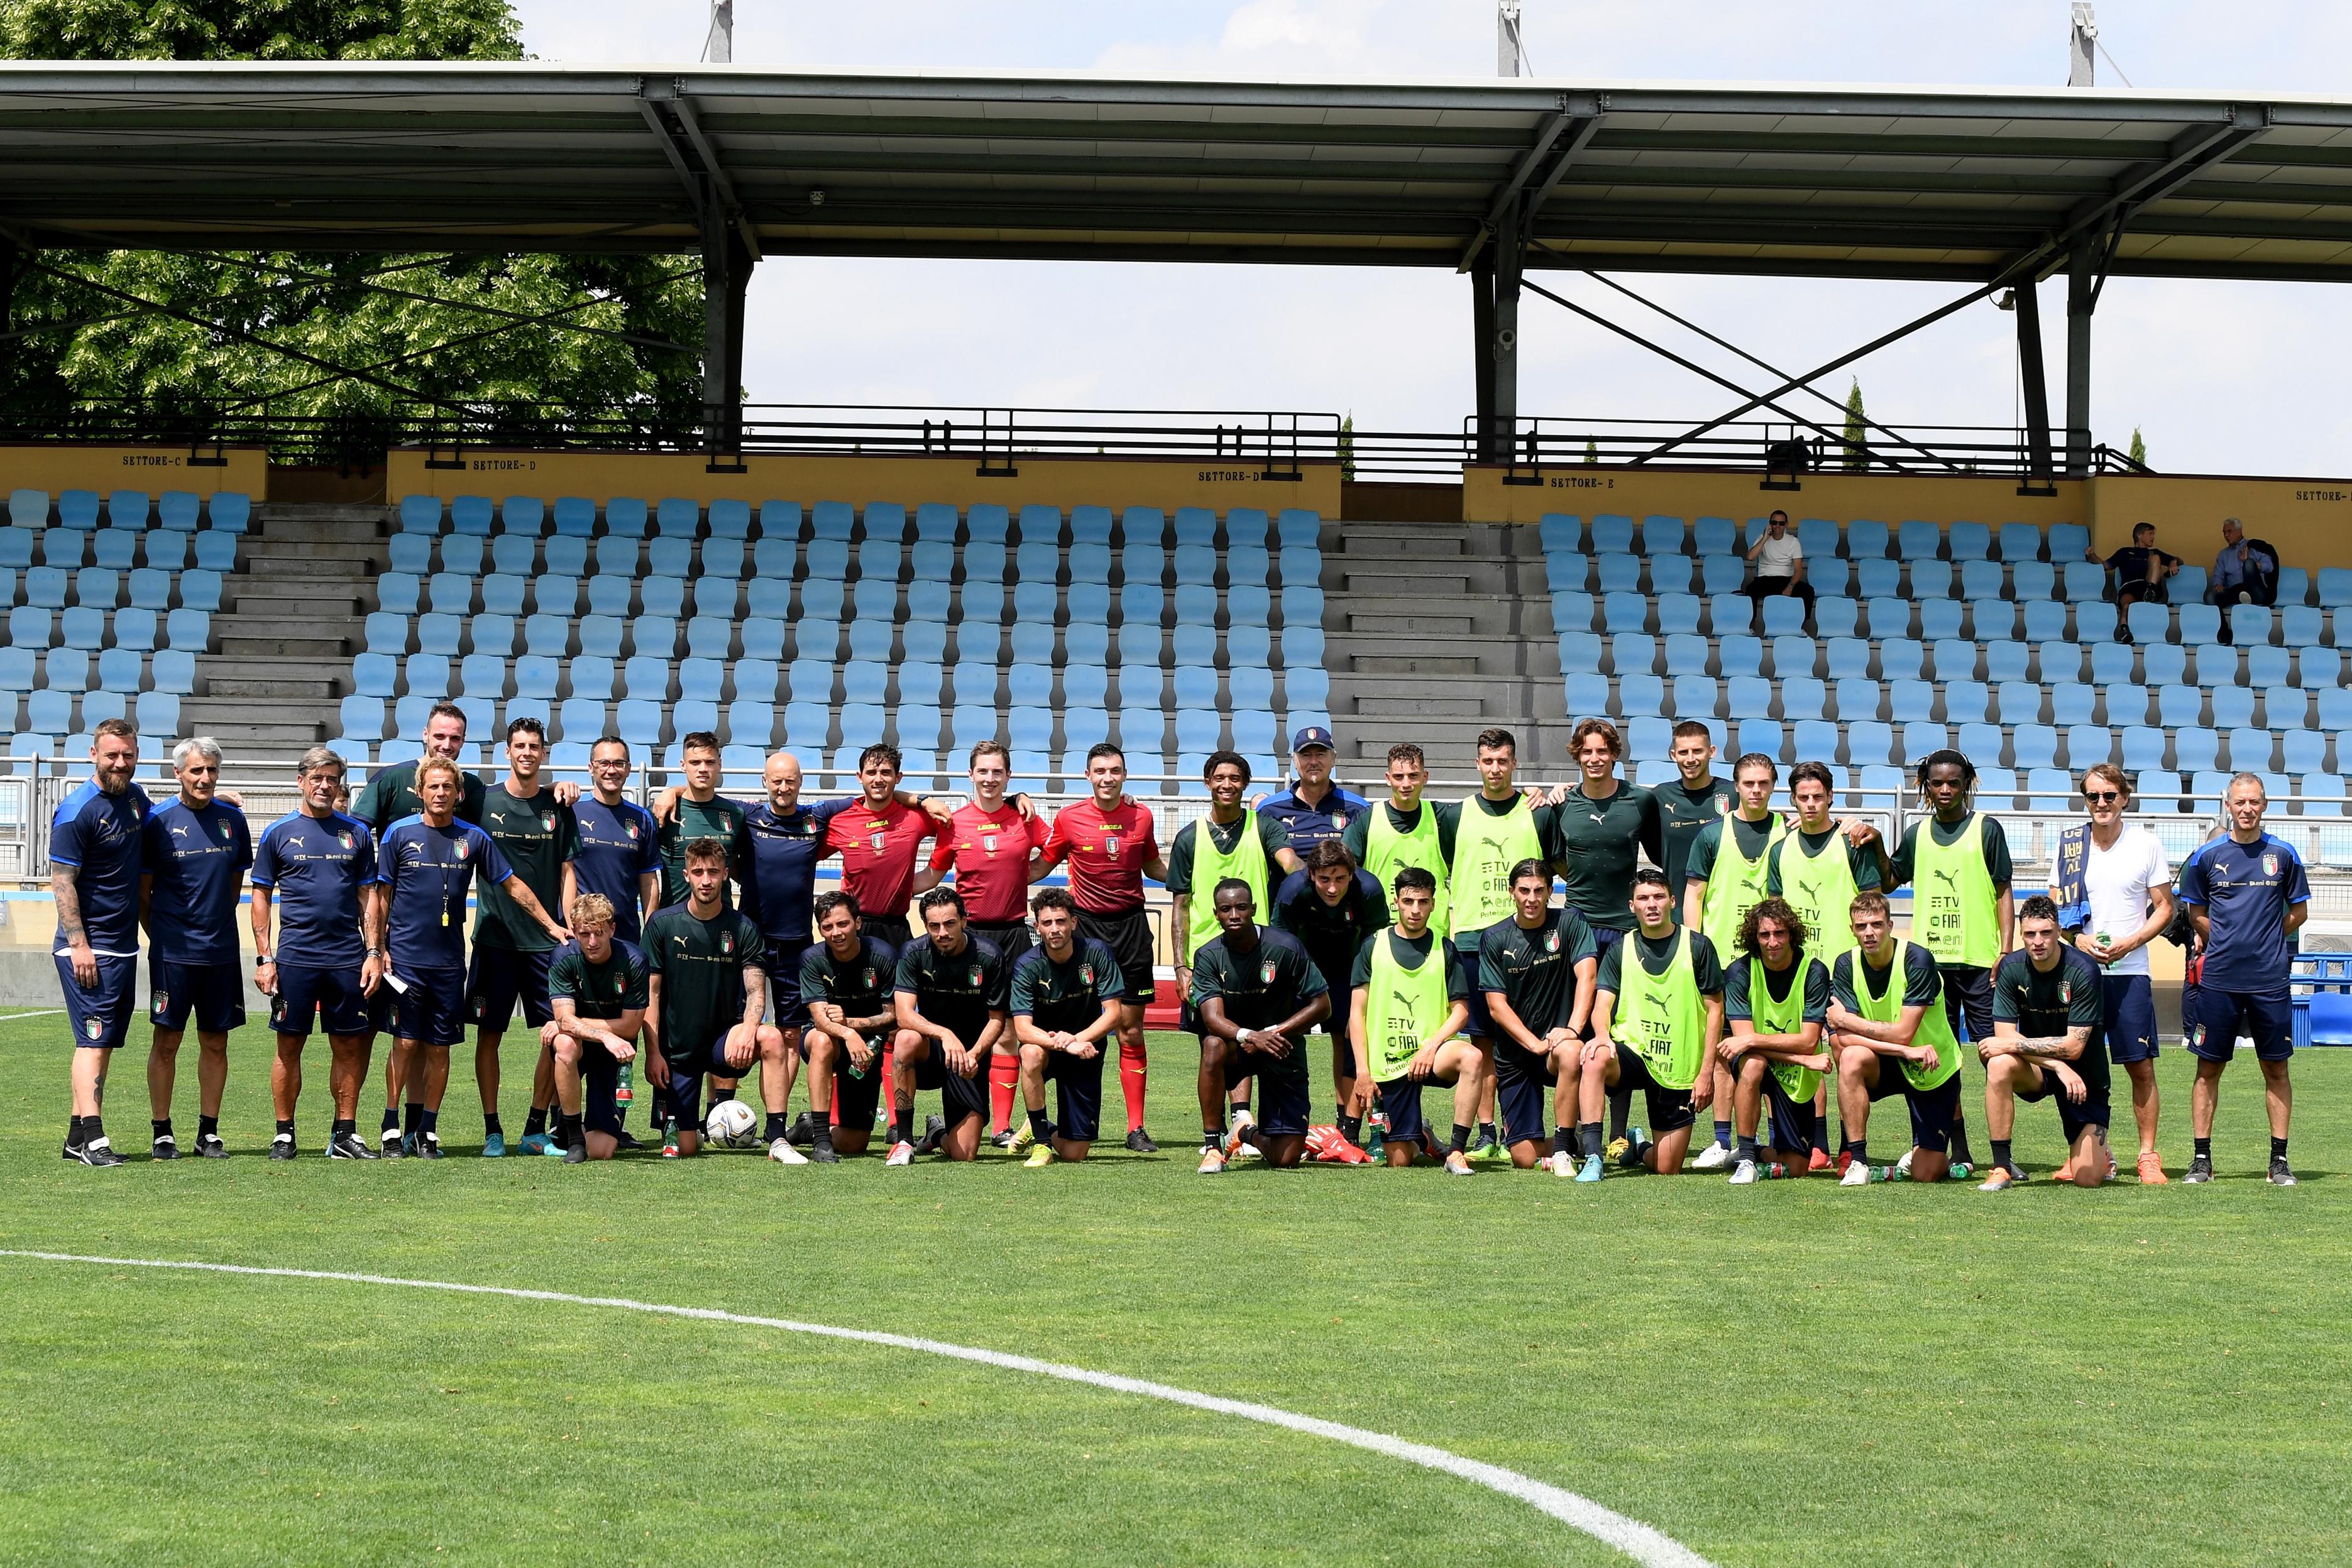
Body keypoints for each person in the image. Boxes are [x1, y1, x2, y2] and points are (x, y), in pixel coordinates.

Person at [369, 755, 566, 1159]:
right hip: (404, 961)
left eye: (447, 787)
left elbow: (513, 886)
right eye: (432, 787)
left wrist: (551, 926)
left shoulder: (474, 838)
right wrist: (378, 949)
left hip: (448, 965)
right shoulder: (397, 834)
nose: (440, 793)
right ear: (420, 791)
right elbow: (381, 899)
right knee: (405, 1044)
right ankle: (391, 1126)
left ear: (459, 794)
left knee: (440, 1049)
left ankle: (427, 1130)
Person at [1869, 748, 2003, 1168]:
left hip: (1981, 961)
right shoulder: (1918, 834)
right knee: (1934, 1055)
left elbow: (2003, 891)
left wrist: (2007, 949)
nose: (1945, 790)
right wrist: (1876, 844)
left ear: (1968, 783)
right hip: (1931, 967)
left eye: (1954, 782)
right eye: (1937, 783)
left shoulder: (1986, 828)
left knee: (1993, 1055)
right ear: (1926, 786)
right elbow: (1890, 881)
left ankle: (2003, 1152)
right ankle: (1949, 1146)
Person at [1167, 750, 1304, 1155]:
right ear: (1207, 783)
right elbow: (1179, 907)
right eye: (1219, 778)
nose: (1227, 785)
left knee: (1255, 1039)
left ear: (1245, 785)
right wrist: (1180, 964)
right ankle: (1220, 1131)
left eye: (1235, 778)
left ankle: (1241, 1121)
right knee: (1216, 1042)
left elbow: (1290, 861)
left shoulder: (1263, 828)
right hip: (1208, 961)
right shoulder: (1189, 837)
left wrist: (1310, 874)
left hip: (1257, 956)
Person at [2175, 772, 2308, 1185]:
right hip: (2218, 980)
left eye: (2254, 801)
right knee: (2208, 1069)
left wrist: (2266, 937)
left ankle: (2279, 1161)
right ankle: (2201, 1159)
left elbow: (2299, 912)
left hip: (2270, 981)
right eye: (2240, 802)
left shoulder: (2284, 855)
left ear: (2264, 805)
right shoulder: (2207, 856)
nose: (2247, 808)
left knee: (2277, 1071)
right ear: (2228, 806)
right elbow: (2195, 913)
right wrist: (2227, 941)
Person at [251, 747, 383, 1161]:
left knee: (348, 1047)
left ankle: (345, 1133)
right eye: (317, 778)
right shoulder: (278, 833)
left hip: (347, 958)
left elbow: (369, 897)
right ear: (301, 781)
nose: (325, 785)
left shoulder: (357, 833)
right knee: (289, 1046)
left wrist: (374, 951)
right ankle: (284, 1134)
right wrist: (265, 957)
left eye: (332, 779)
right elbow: (260, 896)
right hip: (295, 959)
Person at [1036, 743, 1167, 1151]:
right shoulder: (1070, 817)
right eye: (1100, 770)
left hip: (1131, 930)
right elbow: (1043, 864)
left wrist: (1194, 874)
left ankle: (1135, 1128)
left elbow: (1153, 866)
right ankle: (1060, 1122)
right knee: (1074, 1024)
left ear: (1124, 774)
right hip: (1086, 932)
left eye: (1114, 770)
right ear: (1088, 776)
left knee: (1130, 1029)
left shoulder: (1141, 815)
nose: (1107, 777)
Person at [916, 740, 1049, 1143]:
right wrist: (883, 885)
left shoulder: (1023, 817)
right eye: (983, 772)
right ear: (970, 775)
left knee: (1011, 1030)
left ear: (1008, 777)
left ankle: (1004, 1127)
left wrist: (1026, 876)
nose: (990, 779)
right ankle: (958, 1112)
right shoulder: (954, 823)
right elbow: (931, 875)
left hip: (1013, 934)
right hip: (968, 939)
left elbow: (1057, 848)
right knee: (974, 1027)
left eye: (998, 772)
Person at [1547, 719, 1664, 1165]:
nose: (1594, 758)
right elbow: (1554, 858)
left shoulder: (1640, 801)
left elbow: (1659, 852)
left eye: (1603, 751)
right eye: (1586, 751)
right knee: (1576, 1024)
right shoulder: (1563, 805)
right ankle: (1575, 1129)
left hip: (1624, 927)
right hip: (1577, 924)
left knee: (1618, 1028)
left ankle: (1617, 1133)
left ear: (1615, 754)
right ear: (1576, 755)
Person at [2053, 763, 2174, 1183]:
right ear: (2084, 800)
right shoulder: (2071, 845)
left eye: (2109, 795)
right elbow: (2056, 911)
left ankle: (2148, 1155)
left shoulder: (2146, 844)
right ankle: (2084, 1152)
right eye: (2093, 796)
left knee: (2139, 1066)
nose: (2101, 803)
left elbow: (2165, 907)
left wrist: (2131, 942)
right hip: (2080, 973)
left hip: (2131, 971)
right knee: (2079, 1064)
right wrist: (2077, 940)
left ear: (2124, 798)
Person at [1765, 759, 1884, 1169]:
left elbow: (1872, 905)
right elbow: (1775, 913)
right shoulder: (1781, 850)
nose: (1811, 803)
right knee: (1803, 1053)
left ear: (1831, 797)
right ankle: (1816, 1143)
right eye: (1804, 797)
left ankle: (1854, 1144)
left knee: (1846, 1050)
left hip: (1846, 971)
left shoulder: (1852, 843)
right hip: (1798, 971)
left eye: (1819, 796)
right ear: (1793, 800)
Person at [468, 717, 579, 1158]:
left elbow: (569, 871)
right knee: (488, 1035)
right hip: (494, 939)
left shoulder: (558, 805)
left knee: (556, 1034)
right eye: (520, 745)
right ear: (507, 751)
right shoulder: (481, 800)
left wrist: (565, 924)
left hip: (545, 943)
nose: (527, 752)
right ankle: (492, 1128)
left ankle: (535, 1126)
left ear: (544, 753)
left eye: (535, 745)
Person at [138, 737, 253, 1159]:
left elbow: (234, 885)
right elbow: (143, 892)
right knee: (167, 1041)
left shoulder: (233, 821)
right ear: (178, 774)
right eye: (196, 771)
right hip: (172, 954)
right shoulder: (158, 821)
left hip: (221, 951)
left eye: (211, 771)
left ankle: (208, 1131)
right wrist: (165, 935)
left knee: (216, 1042)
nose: (205, 778)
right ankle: (162, 1130)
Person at [1569, 869, 1724, 1180]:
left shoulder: (1698, 947)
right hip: (1633, 1050)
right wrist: (1602, 1036)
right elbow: (1602, 1005)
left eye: (1658, 897)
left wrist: (1706, 1072)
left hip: (1678, 1063)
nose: (1651, 905)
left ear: (1673, 901)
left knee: (1668, 1168)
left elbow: (1715, 1011)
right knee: (1595, 1056)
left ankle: (1638, 1146)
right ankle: (1594, 1157)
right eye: (1643, 898)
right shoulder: (1619, 949)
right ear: (1632, 906)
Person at [738, 750, 854, 1150]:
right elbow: (701, 797)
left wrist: (919, 799)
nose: (783, 788)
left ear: (800, 782)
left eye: (790, 781)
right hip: (748, 941)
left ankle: (779, 1126)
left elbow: (871, 795)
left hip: (796, 946)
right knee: (738, 1027)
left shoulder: (816, 817)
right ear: (765, 782)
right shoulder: (747, 815)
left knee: (789, 1035)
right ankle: (720, 1116)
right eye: (776, 781)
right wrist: (674, 791)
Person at [640, 838, 782, 1158]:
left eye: (714, 872)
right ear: (686, 875)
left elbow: (756, 991)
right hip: (678, 1052)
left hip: (725, 1042)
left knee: (771, 1037)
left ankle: (778, 1138)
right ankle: (701, 1127)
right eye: (699, 872)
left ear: (726, 875)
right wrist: (653, 1053)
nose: (706, 880)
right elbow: (652, 992)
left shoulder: (743, 928)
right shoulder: (663, 924)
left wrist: (748, 1029)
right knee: (684, 1149)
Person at [53, 720, 153, 1166]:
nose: (120, 763)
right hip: (88, 949)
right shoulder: (77, 811)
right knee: (92, 1040)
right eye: (112, 755)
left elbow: (160, 817)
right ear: (93, 754)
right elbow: (62, 882)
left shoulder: (134, 798)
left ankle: (77, 1138)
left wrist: (213, 801)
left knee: (104, 1041)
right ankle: (95, 1140)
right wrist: (79, 944)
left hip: (123, 944)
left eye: (128, 755)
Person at [1679, 752, 1786, 1168]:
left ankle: (1778, 1141)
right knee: (1724, 1052)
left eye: (1763, 783)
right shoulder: (1711, 835)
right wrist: (1696, 947)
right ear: (1736, 787)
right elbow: (1694, 896)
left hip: (1773, 959)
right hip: (1723, 959)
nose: (1756, 790)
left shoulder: (1786, 831)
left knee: (1772, 1052)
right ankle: (1723, 1141)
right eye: (1749, 783)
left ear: (1773, 786)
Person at [1824, 892, 1966, 1186]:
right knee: (1849, 1056)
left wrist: (1848, 1021)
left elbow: (1904, 1033)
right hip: (1892, 1058)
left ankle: (1926, 1154)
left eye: (1876, 925)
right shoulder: (1845, 964)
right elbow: (1846, 1040)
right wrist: (1902, 1052)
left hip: (1932, 1066)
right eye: (1861, 927)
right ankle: (1858, 1161)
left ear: (1890, 925)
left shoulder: (1918, 960)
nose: (1869, 933)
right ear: (1852, 930)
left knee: (1926, 1174)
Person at [1192, 878, 1330, 1173]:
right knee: (1212, 1045)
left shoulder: (1286, 947)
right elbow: (1212, 1019)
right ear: (1215, 913)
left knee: (1286, 1159)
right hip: (1237, 1046)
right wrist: (1251, 1036)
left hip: (1281, 1046)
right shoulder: (1208, 956)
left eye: (1241, 907)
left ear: (1253, 908)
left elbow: (1322, 1005)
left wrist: (1273, 1033)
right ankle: (1214, 1147)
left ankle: (1244, 1131)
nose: (1234, 915)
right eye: (1226, 909)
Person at [1348, 866, 1478, 1174]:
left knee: (1472, 1057)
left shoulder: (1445, 948)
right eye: (1408, 901)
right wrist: (1364, 1073)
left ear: (1434, 904)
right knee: (1400, 1160)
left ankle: (1456, 1151)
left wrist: (1431, 1046)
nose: (1416, 910)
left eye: (1423, 902)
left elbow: (1460, 1010)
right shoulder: (1373, 946)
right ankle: (1422, 1137)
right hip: (1389, 1061)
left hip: (1431, 1054)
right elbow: (1357, 1014)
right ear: (1396, 901)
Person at [1977, 895, 2109, 1192]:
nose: (2038, 941)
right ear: (2021, 934)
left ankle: (2099, 1151)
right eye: (2030, 934)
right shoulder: (2011, 968)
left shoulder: (2084, 971)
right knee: (1999, 1063)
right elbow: (2005, 1036)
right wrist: (2056, 1066)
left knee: (2087, 1178)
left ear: (2059, 931)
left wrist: (2064, 1064)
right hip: (2040, 1070)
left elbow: (2075, 1047)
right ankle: (2001, 1167)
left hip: (2084, 1077)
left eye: (2046, 933)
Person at [1478, 858, 1597, 1174]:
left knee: (1572, 1052)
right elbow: (1496, 1006)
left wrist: (1572, 1029)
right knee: (1524, 1157)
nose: (1532, 898)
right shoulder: (1495, 937)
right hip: (1517, 1053)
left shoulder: (1570, 923)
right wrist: (1533, 1043)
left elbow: (1588, 976)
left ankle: (1561, 1149)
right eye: (1524, 890)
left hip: (1557, 1045)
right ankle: (1577, 1142)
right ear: (1511, 892)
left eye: (1539, 890)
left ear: (1549, 893)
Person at [1271, 838, 1385, 1148]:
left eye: (1340, 879)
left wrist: (1364, 988)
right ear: (1311, 875)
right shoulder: (1292, 892)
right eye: (1324, 879)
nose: (1332, 888)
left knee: (1351, 1037)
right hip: (1301, 971)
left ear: (1352, 873)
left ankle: (1347, 1128)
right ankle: (1290, 1121)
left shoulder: (1370, 890)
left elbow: (1377, 945)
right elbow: (1280, 944)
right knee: (1287, 1037)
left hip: (1349, 971)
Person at [886, 886, 1010, 1165]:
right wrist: (944, 1034)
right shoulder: (913, 952)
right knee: (905, 1038)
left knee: (964, 1154)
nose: (942, 932)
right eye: (934, 926)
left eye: (950, 924)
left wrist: (974, 1054)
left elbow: (997, 1020)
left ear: (964, 921)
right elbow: (904, 1015)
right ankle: (904, 1141)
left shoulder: (989, 956)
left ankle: (937, 1134)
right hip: (932, 1049)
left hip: (970, 1055)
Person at [1007, 889, 1125, 1168]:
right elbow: (1023, 1031)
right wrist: (1066, 1043)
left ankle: (1042, 1127)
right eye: (1047, 923)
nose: (1055, 929)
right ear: (1037, 927)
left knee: (1075, 1153)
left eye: (1061, 921)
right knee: (1030, 1054)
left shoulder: (1097, 954)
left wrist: (1077, 1040)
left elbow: (1114, 1014)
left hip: (1086, 1048)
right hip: (1046, 1047)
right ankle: (1042, 1143)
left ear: (1074, 922)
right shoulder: (1026, 966)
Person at [1721, 897, 1832, 1184]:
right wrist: (1804, 1058)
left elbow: (1808, 1040)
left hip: (1795, 1075)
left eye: (1779, 933)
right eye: (1764, 935)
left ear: (1792, 935)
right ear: (1754, 938)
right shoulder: (1739, 972)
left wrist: (1754, 1040)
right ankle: (1746, 1157)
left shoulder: (1815, 971)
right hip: (1764, 1062)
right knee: (1754, 1063)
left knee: (1798, 1167)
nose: (1772, 942)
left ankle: (1757, 1152)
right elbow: (1744, 1047)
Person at [541, 892, 647, 1163]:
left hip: (616, 1051)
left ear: (612, 929)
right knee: (564, 1043)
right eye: (584, 934)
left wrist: (567, 1022)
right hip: (582, 1044)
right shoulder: (563, 957)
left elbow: (631, 1027)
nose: (592, 942)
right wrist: (601, 1034)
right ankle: (574, 1135)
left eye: (599, 933)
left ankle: (573, 1123)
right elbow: (566, 1022)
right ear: (575, 931)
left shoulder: (634, 960)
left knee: (601, 1151)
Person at [798, 890, 899, 1162]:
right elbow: (820, 1020)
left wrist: (852, 1025)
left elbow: (894, 1016)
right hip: (828, 1041)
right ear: (819, 929)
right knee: (821, 1041)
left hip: (866, 1050)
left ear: (858, 922)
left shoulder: (883, 956)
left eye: (843, 924)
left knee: (855, 1144)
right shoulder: (812, 959)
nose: (836, 933)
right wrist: (848, 1033)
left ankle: (808, 1128)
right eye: (827, 927)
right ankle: (821, 1141)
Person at [1339, 742, 1456, 935]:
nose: (1406, 784)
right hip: (1380, 931)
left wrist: (1524, 798)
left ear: (1425, 777)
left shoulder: (1442, 816)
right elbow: (1344, 869)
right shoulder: (1366, 819)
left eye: (1413, 776)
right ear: (1388, 778)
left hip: (1432, 934)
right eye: (1398, 777)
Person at [569, 736, 661, 945]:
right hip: (582, 938)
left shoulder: (642, 818)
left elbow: (648, 882)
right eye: (604, 763)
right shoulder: (572, 813)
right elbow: (564, 876)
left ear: (628, 769)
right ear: (591, 768)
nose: (612, 770)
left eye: (619, 763)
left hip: (626, 936)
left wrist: (651, 932)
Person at [653, 732, 755, 911]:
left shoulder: (735, 815)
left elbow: (739, 867)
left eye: (709, 762)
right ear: (683, 766)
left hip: (721, 923)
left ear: (719, 765)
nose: (703, 769)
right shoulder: (664, 812)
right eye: (695, 762)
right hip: (673, 923)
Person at [1653, 721, 1736, 902]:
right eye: (1684, 752)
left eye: (1698, 751)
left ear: (1712, 752)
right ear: (1673, 755)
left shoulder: (1733, 793)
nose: (1691, 759)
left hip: (1724, 907)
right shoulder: (1661, 796)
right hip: (1678, 906)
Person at [1255, 725, 1369, 856]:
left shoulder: (1359, 809)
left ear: (1334, 759)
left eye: (1321, 755)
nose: (1313, 762)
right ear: (1295, 762)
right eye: (1306, 755)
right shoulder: (1269, 809)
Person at [2094, 522, 2180, 638]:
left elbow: (2178, 560)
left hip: (2148, 585)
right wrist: (2092, 555)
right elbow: (2105, 566)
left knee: (2155, 558)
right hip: (2129, 587)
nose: (2153, 537)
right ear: (2139, 535)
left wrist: (2173, 562)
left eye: (2153, 534)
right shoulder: (2124, 552)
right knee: (2127, 605)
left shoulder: (2154, 552)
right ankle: (2124, 629)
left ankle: (2150, 592)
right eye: (2150, 534)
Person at [2207, 517, 2278, 645]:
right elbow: (2218, 574)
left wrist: (2250, 562)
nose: (2226, 535)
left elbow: (2270, 566)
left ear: (2239, 532)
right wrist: (2218, 585)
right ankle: (2225, 633)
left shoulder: (2254, 547)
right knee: (2210, 597)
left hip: (2256, 591)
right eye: (2224, 533)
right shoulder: (2223, 555)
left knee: (2249, 564)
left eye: (2229, 532)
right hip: (2234, 591)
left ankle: (2249, 599)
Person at [1743, 509, 1813, 623]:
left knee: (1808, 591)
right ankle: (1751, 625)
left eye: (1781, 523)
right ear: (1770, 524)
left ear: (1786, 525)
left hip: (1786, 580)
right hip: (1765, 580)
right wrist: (1765, 538)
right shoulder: (1762, 538)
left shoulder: (1793, 542)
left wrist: (1790, 587)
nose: (1777, 526)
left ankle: (1801, 626)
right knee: (1751, 589)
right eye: (1774, 523)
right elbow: (1750, 557)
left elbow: (1799, 570)